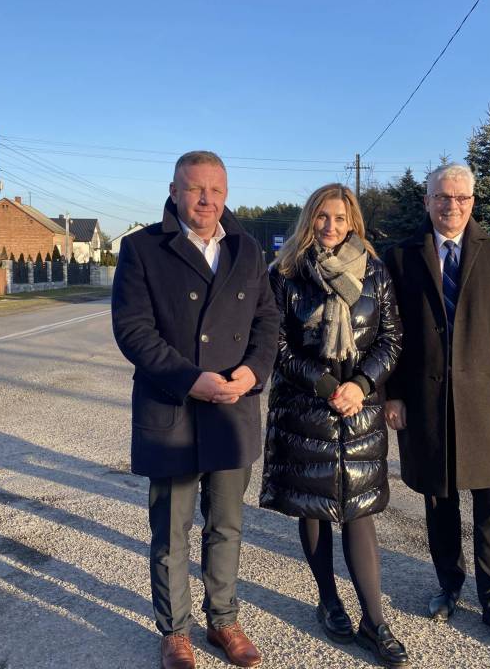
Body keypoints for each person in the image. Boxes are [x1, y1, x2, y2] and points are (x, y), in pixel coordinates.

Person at [111, 150, 279, 669]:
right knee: (171, 532)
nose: (206, 199)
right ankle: (175, 631)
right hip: (173, 409)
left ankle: (223, 620)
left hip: (232, 408)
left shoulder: (247, 248)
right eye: (195, 188)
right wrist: (189, 379)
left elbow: (267, 320)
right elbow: (133, 330)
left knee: (226, 526)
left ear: (226, 193)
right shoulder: (142, 248)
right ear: (174, 190)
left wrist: (254, 372)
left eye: (216, 189)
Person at [383, 163, 490, 651]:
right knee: (439, 501)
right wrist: (392, 393)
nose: (452, 205)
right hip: (425, 401)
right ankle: (449, 585)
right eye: (443, 197)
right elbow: (391, 332)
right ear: (427, 201)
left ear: (472, 202)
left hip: (485, 401)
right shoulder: (400, 256)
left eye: (461, 198)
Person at [259, 183, 408, 668]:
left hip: (359, 408)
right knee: (316, 507)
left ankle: (375, 620)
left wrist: (361, 385)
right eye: (323, 216)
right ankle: (328, 600)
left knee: (359, 510)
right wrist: (326, 386)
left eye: (340, 218)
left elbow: (391, 339)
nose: (330, 226)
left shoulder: (374, 272)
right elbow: (277, 345)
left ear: (353, 223)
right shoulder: (286, 273)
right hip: (306, 409)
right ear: (310, 218)